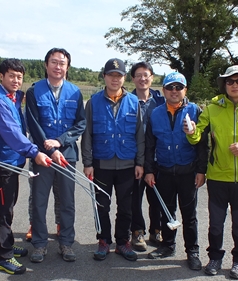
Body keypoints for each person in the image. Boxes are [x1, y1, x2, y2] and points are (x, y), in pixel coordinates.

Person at [185, 65, 238, 279]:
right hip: (217, 175)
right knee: (215, 223)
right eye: (230, 81)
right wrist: (191, 131)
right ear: (224, 85)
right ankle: (215, 257)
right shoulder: (213, 109)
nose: (234, 85)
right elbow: (198, 136)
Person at [0, 58, 51, 275]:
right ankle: (3, 256)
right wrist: (34, 152)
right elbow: (12, 133)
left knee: (9, 207)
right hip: (3, 164)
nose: (15, 80)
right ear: (1, 76)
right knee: (2, 211)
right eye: (11, 76)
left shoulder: (12, 98)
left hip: (12, 163)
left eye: (19, 77)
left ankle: (7, 243)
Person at [25, 47, 86, 263]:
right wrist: (50, 149)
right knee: (39, 201)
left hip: (67, 155)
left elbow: (81, 123)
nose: (58, 66)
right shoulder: (34, 92)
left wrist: (61, 141)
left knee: (67, 201)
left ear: (67, 67)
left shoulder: (75, 92)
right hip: (43, 157)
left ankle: (66, 243)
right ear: (46, 64)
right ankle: (40, 244)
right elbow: (33, 124)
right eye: (54, 62)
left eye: (62, 63)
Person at [143, 72, 209, 271]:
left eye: (178, 87)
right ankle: (167, 245)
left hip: (188, 172)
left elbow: (203, 144)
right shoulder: (155, 113)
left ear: (185, 90)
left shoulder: (195, 111)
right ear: (163, 90)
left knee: (189, 214)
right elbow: (149, 146)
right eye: (170, 87)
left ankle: (193, 252)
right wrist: (149, 171)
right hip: (163, 171)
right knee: (166, 212)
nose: (174, 91)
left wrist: (201, 171)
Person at [81, 58, 144, 262]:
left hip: (127, 163)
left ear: (125, 78)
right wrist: (88, 163)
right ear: (105, 76)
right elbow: (87, 135)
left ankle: (123, 242)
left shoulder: (134, 102)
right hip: (102, 164)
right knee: (102, 205)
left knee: (126, 207)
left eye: (119, 76)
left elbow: (140, 135)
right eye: (111, 75)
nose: (115, 79)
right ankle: (104, 240)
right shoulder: (93, 102)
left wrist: (140, 163)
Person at [129, 61, 165, 251]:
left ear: (152, 77)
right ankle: (137, 231)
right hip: (133, 159)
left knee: (156, 197)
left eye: (146, 75)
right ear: (133, 78)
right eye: (138, 75)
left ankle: (156, 230)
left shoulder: (161, 101)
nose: (143, 78)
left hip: (156, 158)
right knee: (135, 198)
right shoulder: (127, 100)